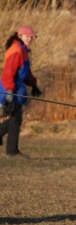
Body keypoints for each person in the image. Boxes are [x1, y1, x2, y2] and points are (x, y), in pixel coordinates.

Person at [0, 26, 42, 159]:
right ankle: (12, 152)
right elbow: (8, 74)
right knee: (15, 119)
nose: (30, 38)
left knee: (15, 119)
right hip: (9, 89)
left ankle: (12, 151)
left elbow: (26, 73)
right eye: (28, 36)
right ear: (20, 36)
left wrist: (34, 84)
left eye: (32, 37)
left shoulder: (23, 51)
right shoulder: (16, 51)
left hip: (15, 90)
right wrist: (9, 93)